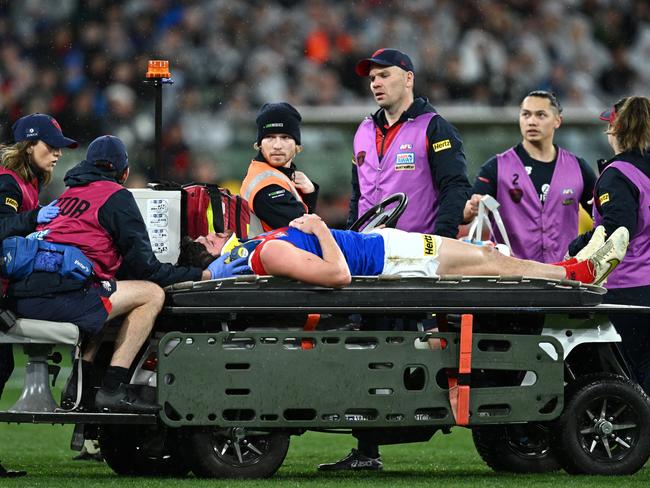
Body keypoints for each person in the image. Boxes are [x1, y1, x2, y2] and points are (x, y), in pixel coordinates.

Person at [8, 135, 248, 413]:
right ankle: (113, 389)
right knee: (150, 294)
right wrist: (205, 274)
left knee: (109, 290)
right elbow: (149, 270)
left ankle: (79, 384)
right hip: (58, 296)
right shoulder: (117, 197)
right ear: (125, 173)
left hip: (23, 294)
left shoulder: (67, 194)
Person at [0, 113, 76, 478]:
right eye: (51, 146)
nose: (58, 153)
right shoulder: (8, 184)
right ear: (29, 145)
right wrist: (36, 221)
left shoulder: (26, 183)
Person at [569, 96, 650, 394]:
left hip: (628, 289)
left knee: (627, 382)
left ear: (616, 129)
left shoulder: (618, 175)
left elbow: (617, 232)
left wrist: (576, 246)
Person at [348, 48, 471, 236]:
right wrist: (351, 238)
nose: (376, 84)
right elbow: (357, 195)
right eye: (372, 78)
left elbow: (454, 188)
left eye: (384, 75)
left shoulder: (435, 128)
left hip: (416, 252)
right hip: (368, 251)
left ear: (408, 79)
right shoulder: (363, 131)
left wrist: (441, 241)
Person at [464, 91, 597, 263]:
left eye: (541, 115)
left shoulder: (579, 169)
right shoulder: (495, 167)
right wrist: (471, 207)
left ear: (558, 121)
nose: (532, 121)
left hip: (563, 278)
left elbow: (602, 218)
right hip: (512, 279)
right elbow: (467, 213)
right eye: (526, 114)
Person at [240, 102, 319, 231]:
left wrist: (309, 193)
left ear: (297, 145)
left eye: (285, 137)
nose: (277, 145)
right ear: (259, 144)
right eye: (270, 137)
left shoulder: (278, 175)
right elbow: (307, 231)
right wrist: (310, 197)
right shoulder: (266, 185)